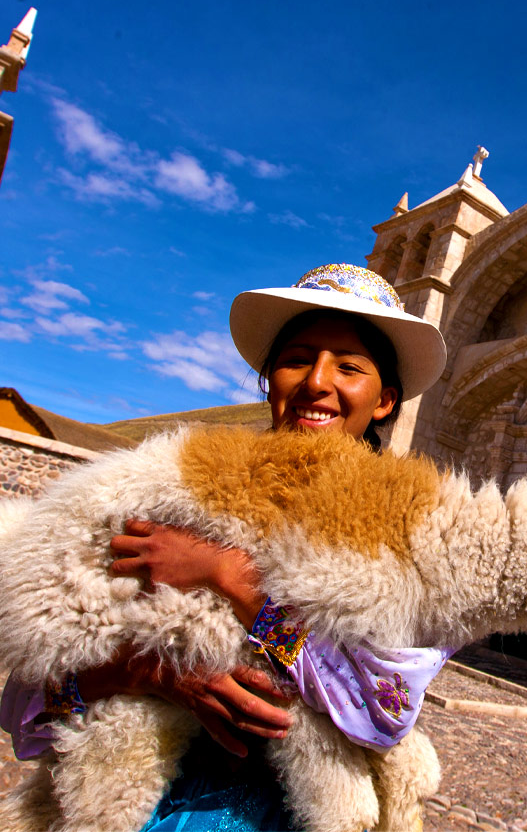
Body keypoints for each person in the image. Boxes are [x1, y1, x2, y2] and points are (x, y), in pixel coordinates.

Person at [0, 264, 448, 831]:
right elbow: (25, 706)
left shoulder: (409, 543)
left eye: (349, 367)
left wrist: (226, 573)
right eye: (297, 359)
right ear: (269, 381)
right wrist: (147, 673)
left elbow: (385, 711)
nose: (316, 381)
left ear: (383, 400)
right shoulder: (171, 496)